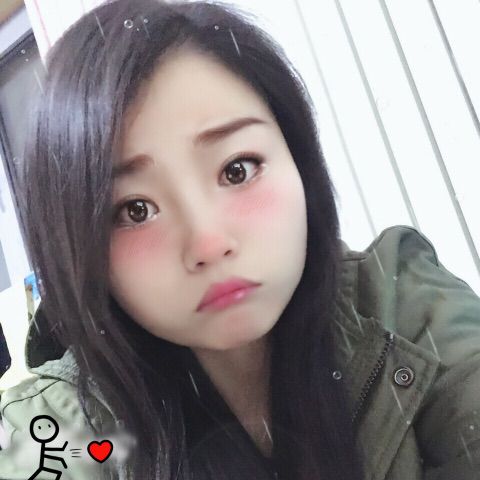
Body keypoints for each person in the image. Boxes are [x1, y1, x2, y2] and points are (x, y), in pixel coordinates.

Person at [0, 0, 478, 479]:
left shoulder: (405, 308)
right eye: (135, 210)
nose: (209, 244)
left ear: (298, 160)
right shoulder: (55, 428)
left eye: (237, 170)